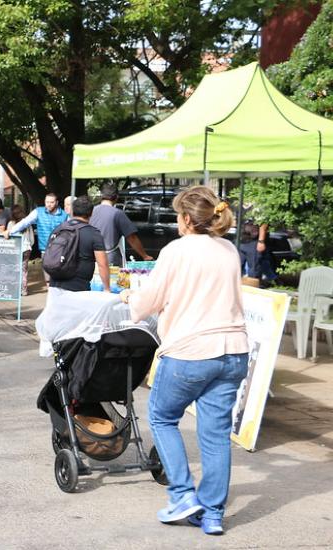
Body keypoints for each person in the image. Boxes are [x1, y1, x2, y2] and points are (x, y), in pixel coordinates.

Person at [119, 186, 248, 536]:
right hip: (233, 350)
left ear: (188, 219)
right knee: (216, 436)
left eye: (178, 215)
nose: (176, 221)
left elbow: (148, 302)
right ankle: (212, 514)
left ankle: (181, 495)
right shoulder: (229, 250)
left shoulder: (177, 251)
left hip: (191, 351)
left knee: (161, 418)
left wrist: (130, 295)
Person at [48, 196, 110, 292]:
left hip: (54, 286)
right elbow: (102, 264)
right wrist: (107, 288)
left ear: (73, 211)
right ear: (91, 213)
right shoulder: (93, 233)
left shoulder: (58, 229)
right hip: (79, 288)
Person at [6, 193, 68, 282]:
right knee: (48, 279)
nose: (49, 204)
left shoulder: (65, 215)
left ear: (57, 202)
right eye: (47, 202)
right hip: (45, 250)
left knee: (58, 277)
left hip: (60, 250)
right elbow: (25, 222)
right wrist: (10, 231)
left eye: (51, 202)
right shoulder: (38, 212)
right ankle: (50, 293)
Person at [90, 183, 153, 266]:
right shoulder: (117, 214)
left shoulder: (90, 211)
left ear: (101, 196)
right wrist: (145, 256)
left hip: (92, 257)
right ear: (116, 197)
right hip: (110, 258)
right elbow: (132, 238)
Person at [8, 204, 34, 295]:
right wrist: (29, 245)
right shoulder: (27, 224)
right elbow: (32, 239)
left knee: (15, 269)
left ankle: (16, 289)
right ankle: (24, 290)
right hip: (26, 248)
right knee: (24, 270)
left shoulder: (11, 224)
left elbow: (8, 236)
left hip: (15, 248)